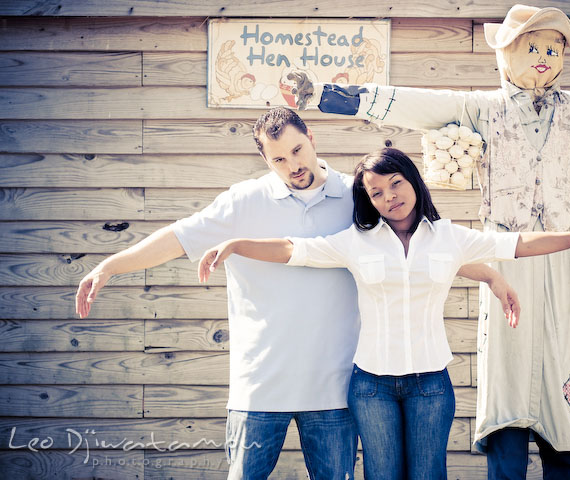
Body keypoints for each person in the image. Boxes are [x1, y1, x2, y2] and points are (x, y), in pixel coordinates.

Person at [287, 4, 570, 478]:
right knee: (506, 375)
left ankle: (559, 459)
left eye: (553, 49)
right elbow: (414, 103)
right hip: (503, 254)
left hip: (557, 259)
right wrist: (332, 96)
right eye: (532, 47)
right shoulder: (482, 110)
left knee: (556, 369)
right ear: (506, 55)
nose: (543, 57)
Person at [75, 107, 520, 480]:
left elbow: (416, 250)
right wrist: (110, 265)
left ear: (310, 137)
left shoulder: (357, 195)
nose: (293, 166)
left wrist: (491, 277)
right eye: (278, 159)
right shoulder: (242, 201)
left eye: (297, 150)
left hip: (334, 389)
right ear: (265, 160)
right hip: (259, 388)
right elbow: (177, 237)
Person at [196, 147, 570, 480]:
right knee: (382, 476)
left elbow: (519, 244)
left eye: (395, 184)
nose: (389, 197)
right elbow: (291, 249)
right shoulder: (355, 242)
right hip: (371, 388)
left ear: (413, 181)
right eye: (376, 193)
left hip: (431, 386)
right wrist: (234, 244)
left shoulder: (450, 237)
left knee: (428, 475)